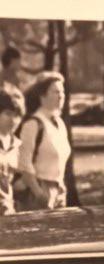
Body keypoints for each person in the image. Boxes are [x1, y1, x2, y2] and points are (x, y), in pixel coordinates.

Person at [17, 71, 70, 211]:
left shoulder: (59, 123)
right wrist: (39, 194)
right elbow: (24, 164)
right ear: (42, 96)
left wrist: (60, 189)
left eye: (62, 92)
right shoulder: (33, 124)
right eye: (55, 92)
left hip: (58, 191)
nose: (61, 96)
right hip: (36, 193)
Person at [0, 92, 22, 215]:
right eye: (8, 114)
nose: (13, 120)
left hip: (8, 211)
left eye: (17, 115)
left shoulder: (16, 145)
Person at [0, 46, 25, 116]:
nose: (20, 64)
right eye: (19, 61)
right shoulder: (5, 77)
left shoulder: (15, 77)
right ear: (13, 61)